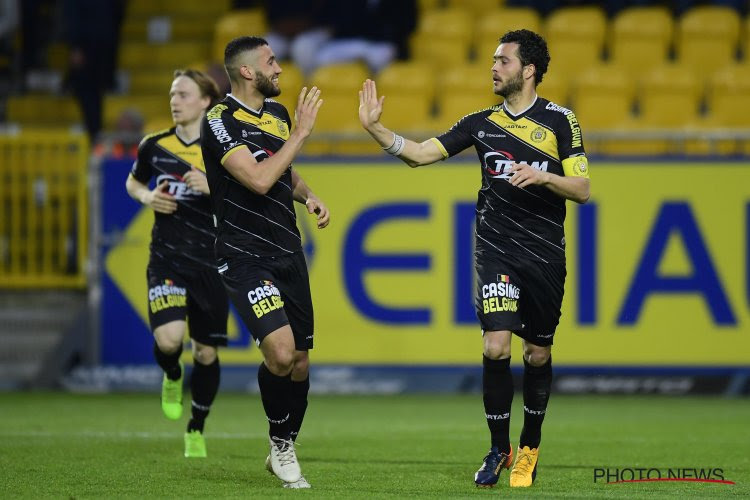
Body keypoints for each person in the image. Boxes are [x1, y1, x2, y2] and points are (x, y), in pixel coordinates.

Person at [358, 29, 590, 489]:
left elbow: (582, 188)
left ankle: (529, 448)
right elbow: (423, 154)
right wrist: (376, 130)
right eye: (492, 60)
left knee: (537, 353)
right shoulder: (480, 123)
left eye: (503, 61)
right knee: (495, 346)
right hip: (495, 248)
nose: (494, 67)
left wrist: (543, 176)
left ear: (528, 70)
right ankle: (499, 448)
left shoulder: (561, 121)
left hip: (545, 253)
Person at [200, 36, 329, 489]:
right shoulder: (218, 122)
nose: (280, 67)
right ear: (248, 72)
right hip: (244, 255)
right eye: (271, 61)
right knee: (279, 352)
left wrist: (308, 195)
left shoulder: (276, 114)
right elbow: (257, 178)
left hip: (288, 250)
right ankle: (281, 444)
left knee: (299, 364)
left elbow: (282, 171)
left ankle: (284, 443)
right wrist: (300, 136)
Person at [125, 68, 226, 459]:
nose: (174, 100)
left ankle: (196, 428)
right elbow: (133, 182)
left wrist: (213, 186)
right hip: (166, 257)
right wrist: (147, 198)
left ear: (205, 101)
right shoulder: (153, 145)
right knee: (169, 341)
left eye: (183, 94)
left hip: (212, 264)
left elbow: (249, 193)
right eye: (172, 94)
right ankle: (171, 373)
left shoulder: (221, 151)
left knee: (206, 353)